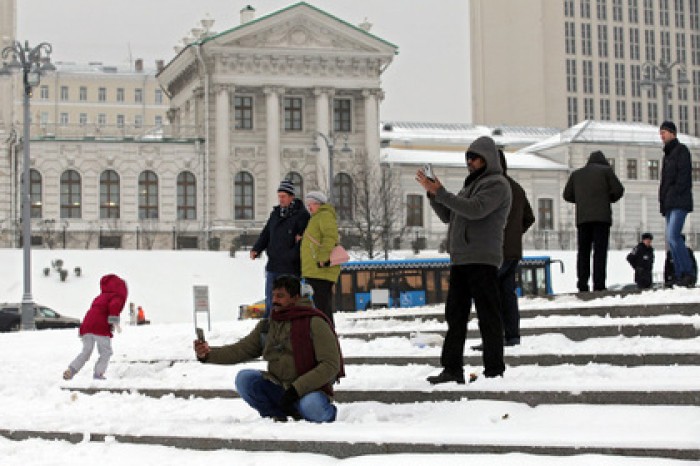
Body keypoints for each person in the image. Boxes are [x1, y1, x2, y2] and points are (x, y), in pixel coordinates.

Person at [416, 135, 512, 383]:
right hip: (461, 259)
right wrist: (434, 195)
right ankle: (452, 369)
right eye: (468, 157)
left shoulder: (497, 184)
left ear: (488, 159)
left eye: (475, 157)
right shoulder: (470, 186)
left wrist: (442, 192)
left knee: (488, 316)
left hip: (481, 259)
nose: (470, 161)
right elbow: (450, 215)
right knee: (455, 316)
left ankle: (494, 369)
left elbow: (475, 209)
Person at [193, 275, 344, 423]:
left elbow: (330, 364)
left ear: (296, 297)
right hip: (280, 387)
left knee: (312, 406)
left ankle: (320, 413)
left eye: (280, 296)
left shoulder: (315, 322)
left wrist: (296, 389)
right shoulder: (268, 326)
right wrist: (208, 354)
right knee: (245, 379)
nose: (275, 301)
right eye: (273, 296)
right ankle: (277, 415)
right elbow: (240, 350)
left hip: (309, 390)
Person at [563, 150, 624, 292]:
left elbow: (567, 195)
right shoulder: (606, 171)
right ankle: (599, 284)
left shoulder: (577, 174)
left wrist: (580, 200)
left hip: (583, 219)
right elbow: (619, 190)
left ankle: (582, 284)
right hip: (602, 219)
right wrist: (609, 198)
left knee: (583, 252)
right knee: (599, 252)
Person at [251, 179, 310, 317]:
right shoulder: (275, 214)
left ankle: (289, 330)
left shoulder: (302, 215)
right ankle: (269, 330)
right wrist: (257, 249)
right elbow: (266, 233)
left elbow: (304, 241)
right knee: (272, 301)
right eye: (279, 196)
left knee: (288, 302)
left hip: (291, 268)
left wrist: (292, 255)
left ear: (291, 197)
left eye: (283, 196)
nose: (281, 199)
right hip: (273, 265)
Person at [497, 149, 535, 346]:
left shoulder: (491, 186)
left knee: (491, 295)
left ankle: (495, 337)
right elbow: (530, 217)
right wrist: (515, 234)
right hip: (513, 251)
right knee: (508, 295)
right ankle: (512, 335)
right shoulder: (517, 188)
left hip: (494, 250)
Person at [63, 274, 128, 380]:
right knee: (106, 352)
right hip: (100, 327)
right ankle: (99, 374)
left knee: (86, 351)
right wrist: (114, 322)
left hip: (86, 325)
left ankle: (71, 370)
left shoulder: (99, 297)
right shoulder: (116, 296)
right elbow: (114, 306)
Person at [658, 121, 695, 287]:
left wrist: (672, 193)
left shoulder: (681, 151)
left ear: (673, 133)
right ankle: (679, 273)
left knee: (674, 236)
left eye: (664, 132)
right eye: (661, 133)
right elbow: (664, 181)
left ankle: (688, 272)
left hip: (679, 201)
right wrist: (662, 200)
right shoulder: (667, 155)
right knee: (671, 239)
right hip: (669, 203)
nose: (662, 135)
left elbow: (683, 177)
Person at [300, 191, 341, 325]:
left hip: (321, 270)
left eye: (310, 204)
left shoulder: (324, 216)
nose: (309, 207)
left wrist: (322, 258)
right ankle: (326, 333)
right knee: (321, 307)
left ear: (318, 203)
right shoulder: (317, 217)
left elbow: (330, 237)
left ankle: (327, 335)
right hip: (316, 270)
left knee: (323, 307)